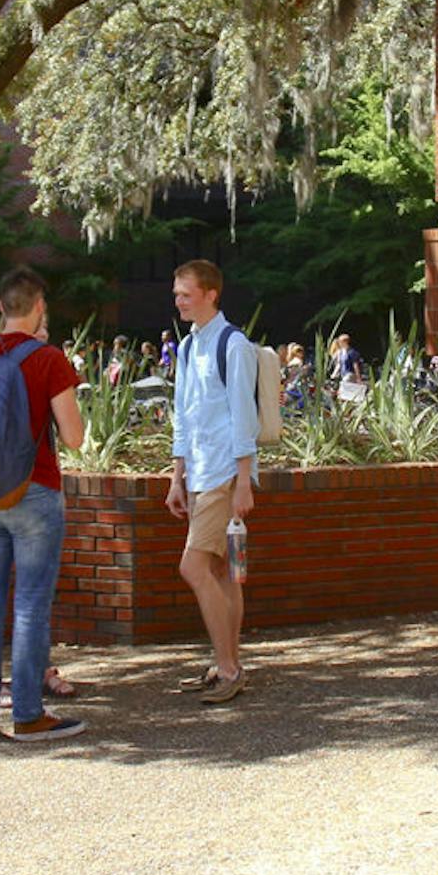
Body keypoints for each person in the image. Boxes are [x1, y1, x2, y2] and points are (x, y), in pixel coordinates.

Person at [0, 267, 86, 742]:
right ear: (38, 307)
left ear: (1, 307)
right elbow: (75, 436)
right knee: (29, 606)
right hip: (34, 490)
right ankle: (27, 714)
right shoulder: (48, 359)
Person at [166, 259, 259, 705]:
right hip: (202, 473)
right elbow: (184, 417)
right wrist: (177, 478)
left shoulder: (233, 344)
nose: (178, 300)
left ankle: (228, 667)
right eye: (177, 293)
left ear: (210, 294)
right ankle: (228, 662)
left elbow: (245, 417)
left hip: (223, 474)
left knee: (194, 567)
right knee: (222, 571)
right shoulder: (187, 347)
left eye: (186, 293)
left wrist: (243, 480)